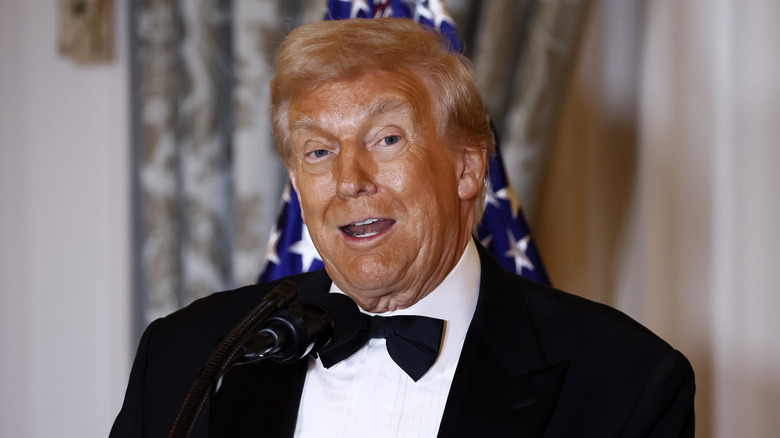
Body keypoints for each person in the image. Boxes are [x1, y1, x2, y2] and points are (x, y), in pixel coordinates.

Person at [110, 18, 695, 437]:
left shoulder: (625, 379)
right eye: (318, 152)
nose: (348, 180)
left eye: (386, 139)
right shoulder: (186, 357)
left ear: (468, 167)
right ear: (295, 181)